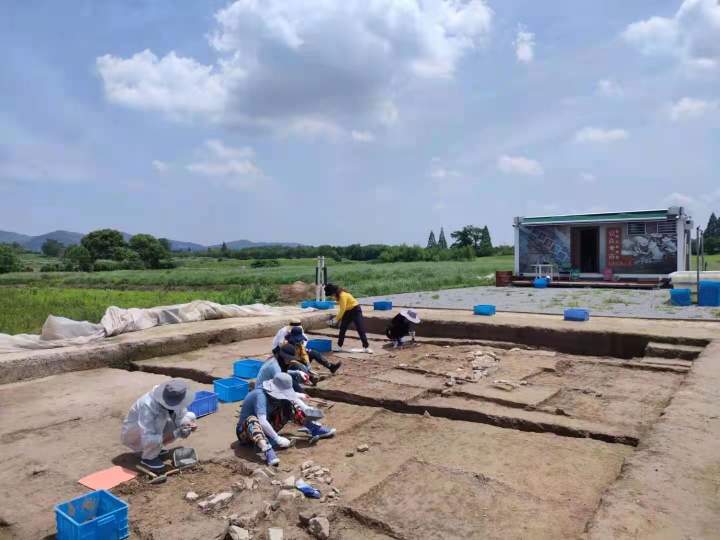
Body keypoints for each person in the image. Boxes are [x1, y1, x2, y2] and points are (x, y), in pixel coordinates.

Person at [236, 372, 335, 466]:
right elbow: (262, 420)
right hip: (247, 433)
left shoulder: (277, 396)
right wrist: (277, 438)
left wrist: (306, 409)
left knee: (288, 404)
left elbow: (293, 399)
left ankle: (314, 428)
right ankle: (267, 449)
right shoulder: (260, 395)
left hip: (267, 425)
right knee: (252, 419)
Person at [121, 379, 197, 470]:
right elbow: (147, 437)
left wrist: (187, 424)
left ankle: (157, 449)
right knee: (159, 424)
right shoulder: (147, 405)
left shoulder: (177, 397)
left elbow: (180, 416)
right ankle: (148, 458)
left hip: (155, 429)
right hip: (137, 434)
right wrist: (176, 433)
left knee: (190, 416)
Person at [272, 323, 341, 375]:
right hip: (287, 368)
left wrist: (308, 363)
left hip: (297, 361)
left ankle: (330, 366)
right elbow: (294, 360)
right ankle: (309, 377)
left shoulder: (297, 343)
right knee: (298, 363)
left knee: (313, 352)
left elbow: (303, 353)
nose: (300, 341)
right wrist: (306, 367)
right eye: (298, 340)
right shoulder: (285, 346)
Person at [324, 283, 372, 353]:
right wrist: (336, 319)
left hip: (355, 310)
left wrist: (335, 319)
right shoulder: (338, 296)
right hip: (347, 311)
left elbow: (342, 309)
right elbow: (343, 309)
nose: (331, 296)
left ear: (334, 292)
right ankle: (339, 346)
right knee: (342, 328)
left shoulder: (342, 296)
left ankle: (366, 347)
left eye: (331, 294)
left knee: (360, 328)